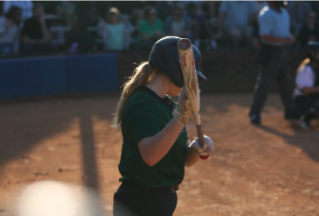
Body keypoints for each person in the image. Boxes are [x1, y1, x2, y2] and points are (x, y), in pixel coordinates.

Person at [112, 36, 214, 216]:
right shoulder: (142, 103)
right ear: (176, 72)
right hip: (140, 202)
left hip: (159, 201)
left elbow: (181, 160)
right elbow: (151, 155)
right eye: (190, 78)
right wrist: (181, 117)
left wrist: (195, 149)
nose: (190, 86)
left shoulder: (170, 105)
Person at [250, 1, 300, 125]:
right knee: (265, 82)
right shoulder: (265, 14)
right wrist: (285, 39)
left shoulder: (284, 13)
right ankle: (255, 113)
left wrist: (290, 37)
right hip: (271, 52)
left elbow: (284, 31)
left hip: (282, 51)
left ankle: (289, 109)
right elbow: (265, 36)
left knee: (285, 82)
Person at [294, 42, 319, 129]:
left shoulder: (316, 67)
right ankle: (305, 119)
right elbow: (307, 91)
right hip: (302, 100)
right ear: (312, 54)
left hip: (312, 98)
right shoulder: (306, 69)